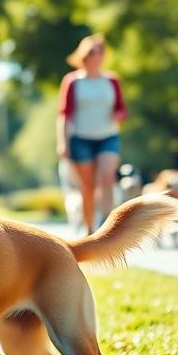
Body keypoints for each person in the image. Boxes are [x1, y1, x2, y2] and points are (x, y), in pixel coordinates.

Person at [56, 34, 127, 234]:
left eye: (100, 51)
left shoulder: (112, 80)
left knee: (107, 178)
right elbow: (64, 115)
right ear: (84, 56)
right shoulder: (72, 81)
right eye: (92, 52)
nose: (96, 56)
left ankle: (108, 225)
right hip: (81, 139)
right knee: (88, 187)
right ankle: (89, 228)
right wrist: (63, 142)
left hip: (108, 137)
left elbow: (122, 109)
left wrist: (119, 114)